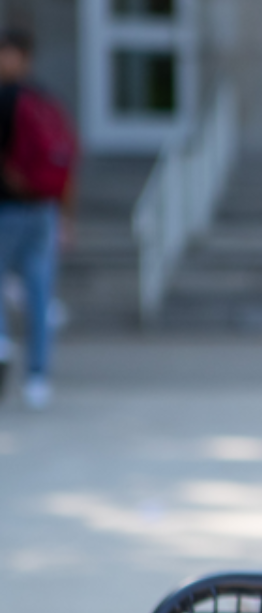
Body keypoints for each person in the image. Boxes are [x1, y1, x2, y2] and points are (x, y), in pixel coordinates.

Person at [0, 27, 75, 411]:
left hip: (12, 208)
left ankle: (9, 353)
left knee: (31, 292)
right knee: (39, 294)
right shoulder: (45, 100)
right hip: (43, 209)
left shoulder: (11, 99)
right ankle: (37, 377)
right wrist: (64, 213)